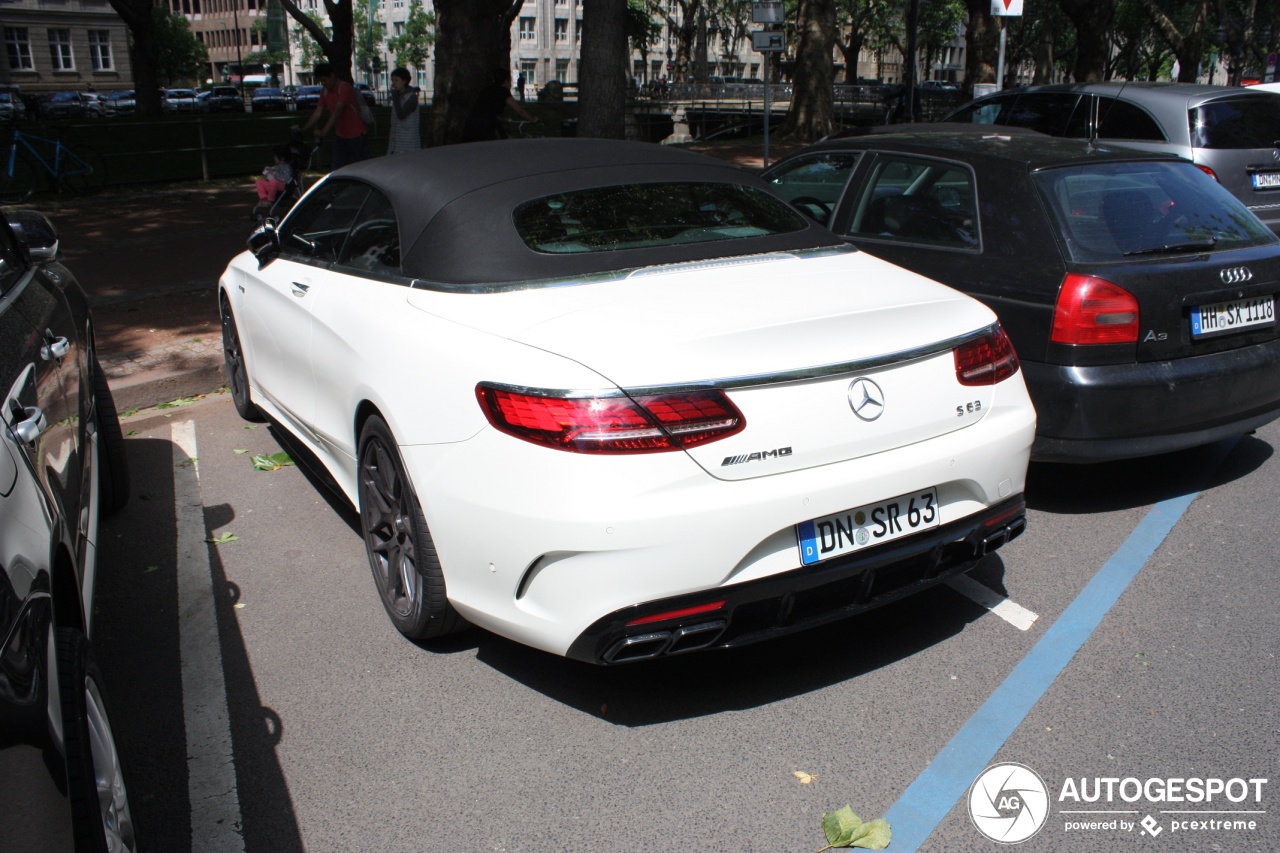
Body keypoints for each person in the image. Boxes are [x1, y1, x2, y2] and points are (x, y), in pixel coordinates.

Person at [296, 62, 368, 168]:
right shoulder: (324, 92)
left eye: (325, 80)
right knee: (337, 167)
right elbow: (318, 112)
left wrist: (323, 132)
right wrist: (303, 129)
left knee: (364, 166)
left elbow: (337, 111)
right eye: (321, 81)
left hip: (357, 135)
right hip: (341, 136)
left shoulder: (344, 88)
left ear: (333, 75)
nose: (324, 83)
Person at [462, 70, 537, 142]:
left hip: (472, 124)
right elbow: (519, 110)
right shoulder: (503, 92)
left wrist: (501, 118)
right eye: (510, 80)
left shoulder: (487, 89)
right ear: (505, 81)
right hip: (487, 127)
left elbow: (486, 108)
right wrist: (532, 119)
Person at [386, 67, 420, 155]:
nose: (393, 84)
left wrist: (395, 98)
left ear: (404, 81)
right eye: (392, 80)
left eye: (396, 80)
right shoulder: (398, 97)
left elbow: (401, 115)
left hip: (408, 143)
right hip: (395, 143)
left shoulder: (411, 97)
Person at [252, 145, 294, 217]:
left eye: (275, 157)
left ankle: (270, 200)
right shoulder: (276, 167)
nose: (274, 158)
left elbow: (285, 179)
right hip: (272, 184)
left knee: (273, 182)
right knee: (259, 181)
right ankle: (264, 198)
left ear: (281, 158)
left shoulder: (287, 168)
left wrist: (274, 174)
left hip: (282, 185)